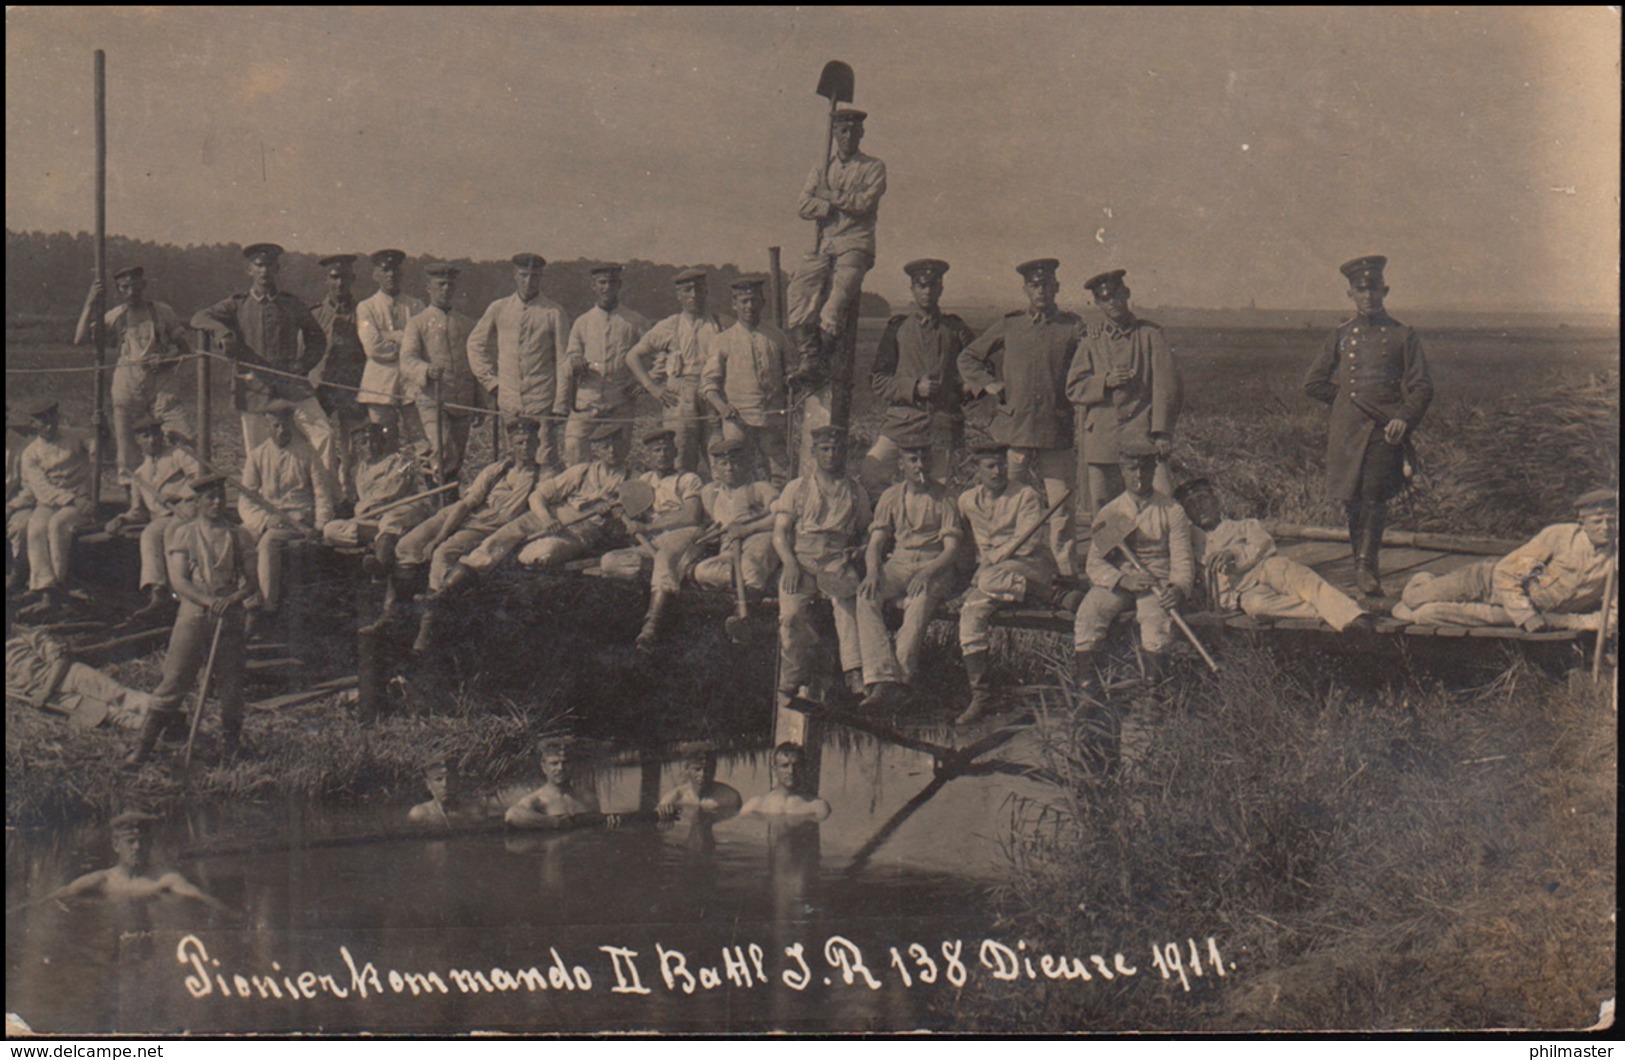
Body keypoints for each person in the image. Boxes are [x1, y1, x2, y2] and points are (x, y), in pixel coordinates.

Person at [1304, 255, 1434, 596]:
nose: (1368, 296)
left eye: (1374, 289)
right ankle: (1360, 562)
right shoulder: (1340, 335)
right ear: (1350, 294)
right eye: (1361, 290)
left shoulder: (1402, 335)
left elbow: (1421, 387)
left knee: (1375, 495)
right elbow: (1313, 382)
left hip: (1384, 431)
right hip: (1347, 432)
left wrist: (1402, 419)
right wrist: (1345, 402)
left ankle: (1365, 566)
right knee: (1352, 499)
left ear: (1385, 291)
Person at [126, 473, 262, 765]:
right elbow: (179, 582)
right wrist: (208, 601)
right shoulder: (184, 533)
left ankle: (231, 748)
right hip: (194, 611)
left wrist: (231, 601)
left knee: (231, 685)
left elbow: (251, 583)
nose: (216, 503)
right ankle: (142, 748)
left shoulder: (240, 535)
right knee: (174, 678)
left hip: (229, 615)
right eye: (209, 498)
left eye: (220, 497)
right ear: (198, 502)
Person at [958, 258, 1083, 575]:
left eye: (1046, 284)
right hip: (1014, 431)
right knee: (1006, 502)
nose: (1041, 290)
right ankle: (1005, 563)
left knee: (1061, 506)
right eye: (1034, 285)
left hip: (1056, 431)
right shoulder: (1011, 325)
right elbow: (969, 357)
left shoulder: (1072, 327)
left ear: (1056, 287)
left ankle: (1065, 571)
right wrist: (989, 384)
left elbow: (1090, 364)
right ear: (1026, 289)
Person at [384, 418, 547, 643]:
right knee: (407, 545)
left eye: (530, 442)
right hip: (463, 513)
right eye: (520, 443)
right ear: (511, 445)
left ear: (538, 444)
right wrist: (442, 534)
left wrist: (442, 541)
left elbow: (542, 501)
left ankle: (427, 627)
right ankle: (393, 614)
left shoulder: (542, 476)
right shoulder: (497, 469)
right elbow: (466, 504)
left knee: (443, 553)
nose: (525, 447)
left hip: (487, 525)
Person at [191, 243, 333, 476]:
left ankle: (325, 494)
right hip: (253, 388)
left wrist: (304, 364)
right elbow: (200, 317)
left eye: (269, 265)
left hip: (292, 385)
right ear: (250, 270)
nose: (264, 270)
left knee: (323, 435)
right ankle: (264, 500)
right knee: (257, 450)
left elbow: (317, 339)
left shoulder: (291, 304)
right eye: (259, 265)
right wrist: (222, 332)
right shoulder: (237, 304)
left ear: (277, 268)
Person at [1393, 489, 1617, 630]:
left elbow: (1611, 617)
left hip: (1521, 612)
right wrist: (1527, 615)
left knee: (1426, 615)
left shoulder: (1615, 560)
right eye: (1597, 521)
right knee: (1413, 600)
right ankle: (1423, 580)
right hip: (1487, 582)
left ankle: (1422, 602)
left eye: (1612, 520)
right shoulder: (1559, 537)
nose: (1605, 527)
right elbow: (1506, 572)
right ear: (1582, 522)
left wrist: (1564, 621)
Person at [855, 426, 964, 709]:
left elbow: (951, 550)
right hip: (899, 563)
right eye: (912, 460)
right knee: (866, 596)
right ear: (901, 463)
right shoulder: (891, 497)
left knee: (919, 601)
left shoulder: (945, 497)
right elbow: (876, 542)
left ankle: (901, 680)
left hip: (934, 565)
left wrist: (928, 572)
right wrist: (873, 571)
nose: (920, 466)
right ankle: (880, 677)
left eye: (924, 459)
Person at [1073, 441, 1195, 690]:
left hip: (1157, 579)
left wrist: (1178, 588)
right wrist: (1123, 580)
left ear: (1153, 471)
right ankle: (1087, 690)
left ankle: (1153, 693)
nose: (1138, 476)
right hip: (1122, 577)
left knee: (1154, 620)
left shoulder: (1172, 510)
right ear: (1122, 471)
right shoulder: (1111, 512)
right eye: (1132, 469)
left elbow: (1182, 558)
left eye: (1145, 469)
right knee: (1089, 613)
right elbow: (1095, 564)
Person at [1175, 477, 1371, 632]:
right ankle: (1331, 611)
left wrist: (1233, 553)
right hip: (1243, 594)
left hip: (1264, 570)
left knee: (1297, 577)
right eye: (1190, 505)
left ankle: (1354, 618)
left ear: (1216, 501)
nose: (1198, 508)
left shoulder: (1244, 525)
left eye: (1202, 500)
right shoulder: (1188, 541)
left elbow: (1263, 544)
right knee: (1256, 606)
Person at [784, 107, 887, 392]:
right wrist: (826, 205)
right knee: (798, 292)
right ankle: (809, 358)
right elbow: (803, 206)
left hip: (855, 244)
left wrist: (830, 195)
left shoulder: (873, 167)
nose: (848, 136)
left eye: (854, 131)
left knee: (834, 305)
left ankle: (823, 363)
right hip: (824, 243)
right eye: (842, 131)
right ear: (835, 133)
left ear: (862, 133)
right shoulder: (821, 168)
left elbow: (865, 204)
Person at [954, 443, 1058, 726]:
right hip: (995, 579)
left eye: (1002, 465)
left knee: (988, 578)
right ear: (977, 469)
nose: (998, 471)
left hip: (1029, 565)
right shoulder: (967, 500)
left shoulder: (1025, 495)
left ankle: (1048, 591)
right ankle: (982, 696)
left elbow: (1027, 543)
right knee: (971, 610)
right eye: (990, 466)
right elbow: (963, 542)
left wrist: (989, 563)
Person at [1067, 269, 1183, 505]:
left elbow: (1167, 386)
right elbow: (1073, 387)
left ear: (1127, 294)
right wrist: (1104, 382)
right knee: (1103, 507)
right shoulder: (1092, 339)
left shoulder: (1150, 335)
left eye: (1117, 295)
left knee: (1155, 502)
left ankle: (1152, 543)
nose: (1113, 303)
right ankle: (1110, 544)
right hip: (1102, 439)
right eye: (1105, 298)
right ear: (1098, 302)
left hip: (1142, 435)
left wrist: (1162, 432)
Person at [774, 426, 872, 703]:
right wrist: (790, 563)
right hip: (801, 560)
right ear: (814, 452)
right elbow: (780, 533)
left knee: (845, 606)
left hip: (836, 560)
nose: (831, 455)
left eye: (837, 449)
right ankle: (794, 673)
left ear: (845, 453)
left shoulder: (855, 491)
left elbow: (866, 530)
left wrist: (860, 550)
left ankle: (853, 671)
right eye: (825, 449)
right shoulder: (797, 488)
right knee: (791, 616)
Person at [861, 258, 975, 492]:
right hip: (903, 420)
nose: (927, 291)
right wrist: (913, 388)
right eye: (921, 286)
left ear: (941, 289)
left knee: (938, 490)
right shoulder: (898, 328)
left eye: (933, 285)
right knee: (872, 472)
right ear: (912, 289)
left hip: (942, 423)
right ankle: (888, 522)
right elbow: (878, 380)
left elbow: (979, 368)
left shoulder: (955, 329)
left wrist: (966, 388)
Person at [73, 265, 193, 479]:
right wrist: (90, 301)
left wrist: (166, 359)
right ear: (119, 290)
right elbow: (79, 338)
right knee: (129, 452)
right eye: (124, 288)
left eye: (135, 286)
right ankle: (136, 507)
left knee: (183, 438)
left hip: (162, 385)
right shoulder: (116, 315)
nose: (131, 292)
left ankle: (184, 493)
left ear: (144, 285)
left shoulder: (162, 311)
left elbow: (186, 349)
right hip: (128, 384)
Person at [599, 429, 704, 650]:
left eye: (667, 449)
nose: (662, 454)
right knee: (609, 561)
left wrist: (648, 526)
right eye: (657, 450)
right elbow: (626, 512)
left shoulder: (688, 479)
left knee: (664, 558)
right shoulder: (643, 481)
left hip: (683, 533)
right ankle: (667, 575)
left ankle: (651, 625)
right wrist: (618, 512)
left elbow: (690, 515)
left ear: (675, 451)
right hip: (654, 541)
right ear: (648, 456)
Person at [467, 253, 570, 469]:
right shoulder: (499, 308)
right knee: (512, 458)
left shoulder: (553, 312)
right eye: (523, 275)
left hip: (541, 399)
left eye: (534, 276)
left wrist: (560, 402)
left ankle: (540, 500)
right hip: (509, 399)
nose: (528, 281)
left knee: (544, 458)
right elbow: (475, 345)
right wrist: (491, 383)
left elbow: (563, 360)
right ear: (514, 276)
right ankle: (512, 500)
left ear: (541, 277)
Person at [238, 402, 337, 618]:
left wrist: (320, 525)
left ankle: (267, 607)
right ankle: (244, 598)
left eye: (285, 426)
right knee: (238, 537)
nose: (281, 431)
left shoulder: (307, 453)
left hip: (298, 518)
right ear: (267, 427)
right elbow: (246, 501)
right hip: (269, 518)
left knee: (268, 542)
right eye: (275, 426)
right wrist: (264, 521)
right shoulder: (257, 456)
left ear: (291, 424)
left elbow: (322, 494)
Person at [626, 268, 729, 473]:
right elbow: (632, 356)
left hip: (713, 394)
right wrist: (653, 388)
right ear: (679, 295)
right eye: (688, 290)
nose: (694, 295)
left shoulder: (721, 323)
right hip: (679, 396)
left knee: (718, 455)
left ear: (706, 291)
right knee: (681, 458)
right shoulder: (669, 325)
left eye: (698, 289)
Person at [24, 811, 232, 911]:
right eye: (130, 842)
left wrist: (233, 916)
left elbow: (200, 897)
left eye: (142, 842)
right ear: (116, 845)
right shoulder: (103, 881)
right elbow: (55, 896)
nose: (137, 848)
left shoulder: (164, 879)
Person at [104, 416, 202, 622]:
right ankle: (158, 593)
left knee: (170, 533)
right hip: (162, 517)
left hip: (187, 509)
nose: (152, 440)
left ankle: (181, 593)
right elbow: (137, 511)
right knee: (149, 535)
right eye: (145, 436)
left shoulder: (178, 454)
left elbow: (200, 476)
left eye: (155, 434)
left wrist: (180, 493)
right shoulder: (139, 473)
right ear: (137, 441)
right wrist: (122, 519)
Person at [701, 275, 792, 485]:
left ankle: (778, 512)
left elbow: (791, 372)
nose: (750, 306)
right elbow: (709, 385)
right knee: (737, 471)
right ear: (735, 304)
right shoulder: (722, 341)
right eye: (744, 301)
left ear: (762, 303)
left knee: (780, 473)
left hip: (772, 417)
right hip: (738, 420)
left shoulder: (777, 337)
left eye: (754, 300)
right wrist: (722, 407)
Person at [559, 262, 650, 466]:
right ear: (593, 285)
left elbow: (659, 355)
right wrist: (575, 361)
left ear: (620, 285)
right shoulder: (582, 322)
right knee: (574, 450)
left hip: (620, 401)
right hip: (586, 401)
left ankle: (610, 495)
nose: (606, 287)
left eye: (612, 282)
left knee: (616, 456)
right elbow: (569, 357)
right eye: (602, 282)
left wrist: (644, 383)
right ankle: (577, 494)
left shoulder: (635, 321)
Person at [510, 422, 634, 570]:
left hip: (580, 532)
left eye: (617, 445)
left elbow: (627, 525)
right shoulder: (582, 471)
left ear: (626, 447)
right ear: (596, 450)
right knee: (488, 550)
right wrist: (547, 519)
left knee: (542, 553)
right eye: (605, 447)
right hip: (548, 517)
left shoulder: (633, 479)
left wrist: (610, 517)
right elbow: (537, 495)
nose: (612, 451)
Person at [8, 401, 93, 616]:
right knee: (35, 529)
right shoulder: (31, 452)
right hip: (50, 501)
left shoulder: (77, 436)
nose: (48, 426)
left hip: (80, 500)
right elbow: (40, 487)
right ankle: (44, 588)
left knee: (57, 526)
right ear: (33, 424)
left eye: (51, 420)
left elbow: (97, 448)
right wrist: (67, 499)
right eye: (42, 422)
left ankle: (58, 586)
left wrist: (102, 435)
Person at [400, 263, 480, 484]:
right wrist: (426, 370)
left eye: (450, 285)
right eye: (440, 284)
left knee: (458, 455)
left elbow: (477, 363)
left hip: (462, 400)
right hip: (432, 399)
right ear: (429, 288)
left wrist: (481, 402)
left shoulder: (467, 324)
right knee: (443, 449)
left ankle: (449, 501)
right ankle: (438, 499)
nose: (446, 289)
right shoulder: (417, 323)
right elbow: (406, 360)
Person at [321, 422, 434, 576]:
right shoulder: (358, 470)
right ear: (357, 447)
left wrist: (362, 507)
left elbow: (391, 490)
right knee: (331, 529)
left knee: (390, 520)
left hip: (402, 509)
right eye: (363, 443)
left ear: (382, 441)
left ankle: (380, 564)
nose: (369, 446)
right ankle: (382, 541)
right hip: (374, 518)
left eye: (374, 441)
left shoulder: (398, 461)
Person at [309, 254, 367, 503]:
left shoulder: (363, 313)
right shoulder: (314, 315)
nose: (339, 283)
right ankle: (324, 496)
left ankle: (351, 497)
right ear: (326, 281)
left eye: (344, 277)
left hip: (351, 388)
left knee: (352, 447)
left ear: (352, 279)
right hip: (320, 388)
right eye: (334, 277)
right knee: (320, 442)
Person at [691, 436, 782, 596]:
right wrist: (709, 533)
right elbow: (706, 524)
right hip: (729, 550)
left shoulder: (760, 488)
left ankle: (751, 598)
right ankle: (748, 586)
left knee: (751, 564)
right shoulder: (710, 493)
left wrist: (748, 529)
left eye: (735, 462)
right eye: (723, 464)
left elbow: (781, 517)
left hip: (758, 541)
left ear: (746, 464)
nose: (730, 468)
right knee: (702, 571)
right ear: (716, 468)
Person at [356, 249, 427, 440]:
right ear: (375, 275)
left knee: (423, 441)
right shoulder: (366, 307)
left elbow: (422, 344)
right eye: (385, 269)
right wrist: (406, 340)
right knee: (383, 442)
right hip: (379, 386)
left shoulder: (416, 306)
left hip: (412, 385)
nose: (391, 274)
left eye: (395, 269)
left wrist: (390, 336)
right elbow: (373, 348)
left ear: (401, 273)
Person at [506, 738, 601, 826]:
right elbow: (512, 815)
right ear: (544, 767)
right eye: (554, 763)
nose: (561, 768)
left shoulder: (587, 797)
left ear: (574, 765)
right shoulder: (538, 800)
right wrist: (555, 822)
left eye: (566, 763)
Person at [739, 742, 831, 820]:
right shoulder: (755, 805)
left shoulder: (817, 807)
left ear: (803, 768)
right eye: (785, 766)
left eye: (796, 766)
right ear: (774, 770)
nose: (791, 771)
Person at [408, 757, 508, 826]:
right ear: (428, 785)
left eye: (451, 779)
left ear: (458, 781)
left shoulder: (473, 811)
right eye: (438, 779)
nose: (445, 785)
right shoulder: (420, 814)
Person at [656, 746, 743, 818]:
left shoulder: (730, 798)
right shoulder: (674, 798)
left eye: (708, 770)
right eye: (697, 769)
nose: (702, 775)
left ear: (714, 769)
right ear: (686, 769)